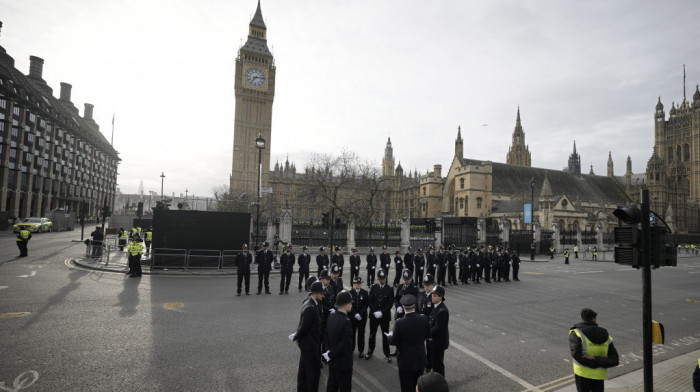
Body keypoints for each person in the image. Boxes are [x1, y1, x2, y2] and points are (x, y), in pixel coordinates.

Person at [569, 308, 619, 392]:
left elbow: (576, 354)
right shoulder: (606, 335)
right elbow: (615, 360)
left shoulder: (577, 333)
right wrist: (597, 360)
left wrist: (591, 363)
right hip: (598, 375)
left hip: (582, 373)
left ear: (581, 317)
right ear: (594, 319)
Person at [388, 294, 430, 392]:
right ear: (414, 306)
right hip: (420, 358)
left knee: (406, 387)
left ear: (403, 307)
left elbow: (394, 341)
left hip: (406, 361)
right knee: (418, 387)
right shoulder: (423, 319)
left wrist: (389, 337)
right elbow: (427, 335)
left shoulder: (399, 323)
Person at [292, 281, 324, 392]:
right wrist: (296, 335)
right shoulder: (311, 307)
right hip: (310, 345)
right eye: (321, 293)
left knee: (303, 371)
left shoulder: (310, 302)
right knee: (312, 374)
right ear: (315, 293)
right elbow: (304, 326)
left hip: (307, 344)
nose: (323, 295)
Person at [324, 291, 354, 392]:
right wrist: (332, 354)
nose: (351, 305)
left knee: (332, 386)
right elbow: (344, 344)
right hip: (344, 363)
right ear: (345, 305)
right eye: (350, 303)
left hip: (332, 361)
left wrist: (328, 352)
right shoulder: (346, 321)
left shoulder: (331, 316)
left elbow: (326, 336)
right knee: (344, 388)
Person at [367, 269, 394, 363]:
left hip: (384, 316)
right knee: (372, 334)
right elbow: (370, 301)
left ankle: (387, 354)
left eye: (383, 279)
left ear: (386, 278)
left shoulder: (390, 289)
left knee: (385, 335)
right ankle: (370, 351)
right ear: (377, 279)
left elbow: (390, 303)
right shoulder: (373, 287)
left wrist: (382, 312)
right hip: (374, 315)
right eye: (380, 279)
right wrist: (375, 311)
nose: (381, 281)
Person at [392, 269, 419, 356]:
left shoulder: (414, 289)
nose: (406, 281)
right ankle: (397, 349)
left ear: (411, 278)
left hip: (409, 314)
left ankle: (407, 351)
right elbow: (396, 298)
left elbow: (417, 302)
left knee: (408, 334)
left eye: (407, 279)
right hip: (400, 313)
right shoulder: (400, 286)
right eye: (404, 279)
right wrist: (398, 306)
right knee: (398, 332)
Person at [429, 285, 450, 377]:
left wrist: (426, 332)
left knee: (438, 364)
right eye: (432, 295)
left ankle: (441, 383)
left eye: (435, 295)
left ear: (441, 297)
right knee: (434, 363)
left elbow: (438, 328)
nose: (432, 297)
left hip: (438, 342)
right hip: (434, 341)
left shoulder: (442, 311)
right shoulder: (436, 306)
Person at [349, 277, 369, 358]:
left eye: (359, 283)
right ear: (353, 284)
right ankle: (351, 349)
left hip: (362, 317)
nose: (358, 285)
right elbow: (350, 305)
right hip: (352, 317)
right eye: (356, 283)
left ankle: (361, 350)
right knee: (352, 333)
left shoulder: (364, 292)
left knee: (361, 334)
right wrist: (355, 313)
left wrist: (360, 314)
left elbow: (366, 304)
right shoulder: (350, 293)